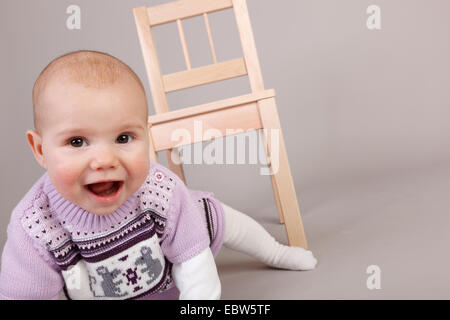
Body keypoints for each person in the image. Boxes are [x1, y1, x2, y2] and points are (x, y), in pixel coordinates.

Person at [0, 50, 317, 300]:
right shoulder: (35, 226)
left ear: (146, 136)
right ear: (40, 149)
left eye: (124, 138)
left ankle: (276, 251)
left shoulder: (160, 189)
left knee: (218, 217)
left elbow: (195, 262)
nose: (105, 160)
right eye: (77, 142)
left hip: (171, 267)